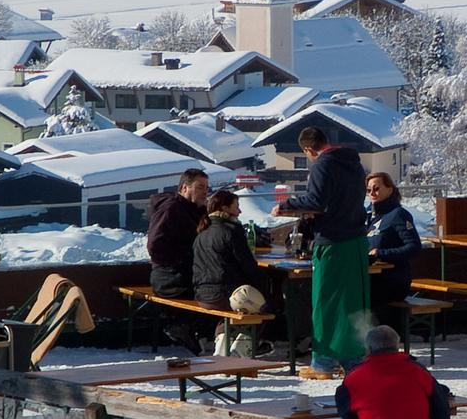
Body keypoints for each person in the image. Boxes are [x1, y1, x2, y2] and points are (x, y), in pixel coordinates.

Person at [272, 126, 370, 379]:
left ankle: (323, 363)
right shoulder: (354, 163)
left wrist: (286, 206)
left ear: (308, 149)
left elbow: (317, 201)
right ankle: (353, 359)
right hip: (357, 240)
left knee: (324, 303)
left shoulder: (322, 165)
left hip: (332, 242)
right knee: (351, 304)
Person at [335, 325, 451, 419]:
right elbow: (441, 413)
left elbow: (347, 415)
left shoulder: (354, 378)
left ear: (369, 348)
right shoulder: (418, 371)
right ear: (397, 346)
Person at [193, 190, 271, 356]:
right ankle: (245, 344)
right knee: (263, 304)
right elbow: (248, 266)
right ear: (224, 208)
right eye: (236, 207)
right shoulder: (232, 231)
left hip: (202, 296)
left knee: (238, 306)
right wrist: (265, 282)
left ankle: (222, 339)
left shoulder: (202, 232)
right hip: (226, 294)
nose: (240, 211)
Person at [147, 168, 208, 353]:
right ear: (184, 188)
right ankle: (196, 332)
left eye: (206, 187)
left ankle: (202, 335)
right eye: (200, 187)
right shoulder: (171, 209)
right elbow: (154, 246)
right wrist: (184, 261)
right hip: (169, 277)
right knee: (215, 288)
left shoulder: (196, 210)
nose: (205, 192)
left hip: (183, 273)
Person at [366, 172, 422, 310]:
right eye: (368, 190)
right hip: (372, 278)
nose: (372, 193)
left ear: (390, 189)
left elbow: (414, 247)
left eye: (376, 188)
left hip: (392, 281)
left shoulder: (398, 214)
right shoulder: (369, 218)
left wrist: (381, 253)